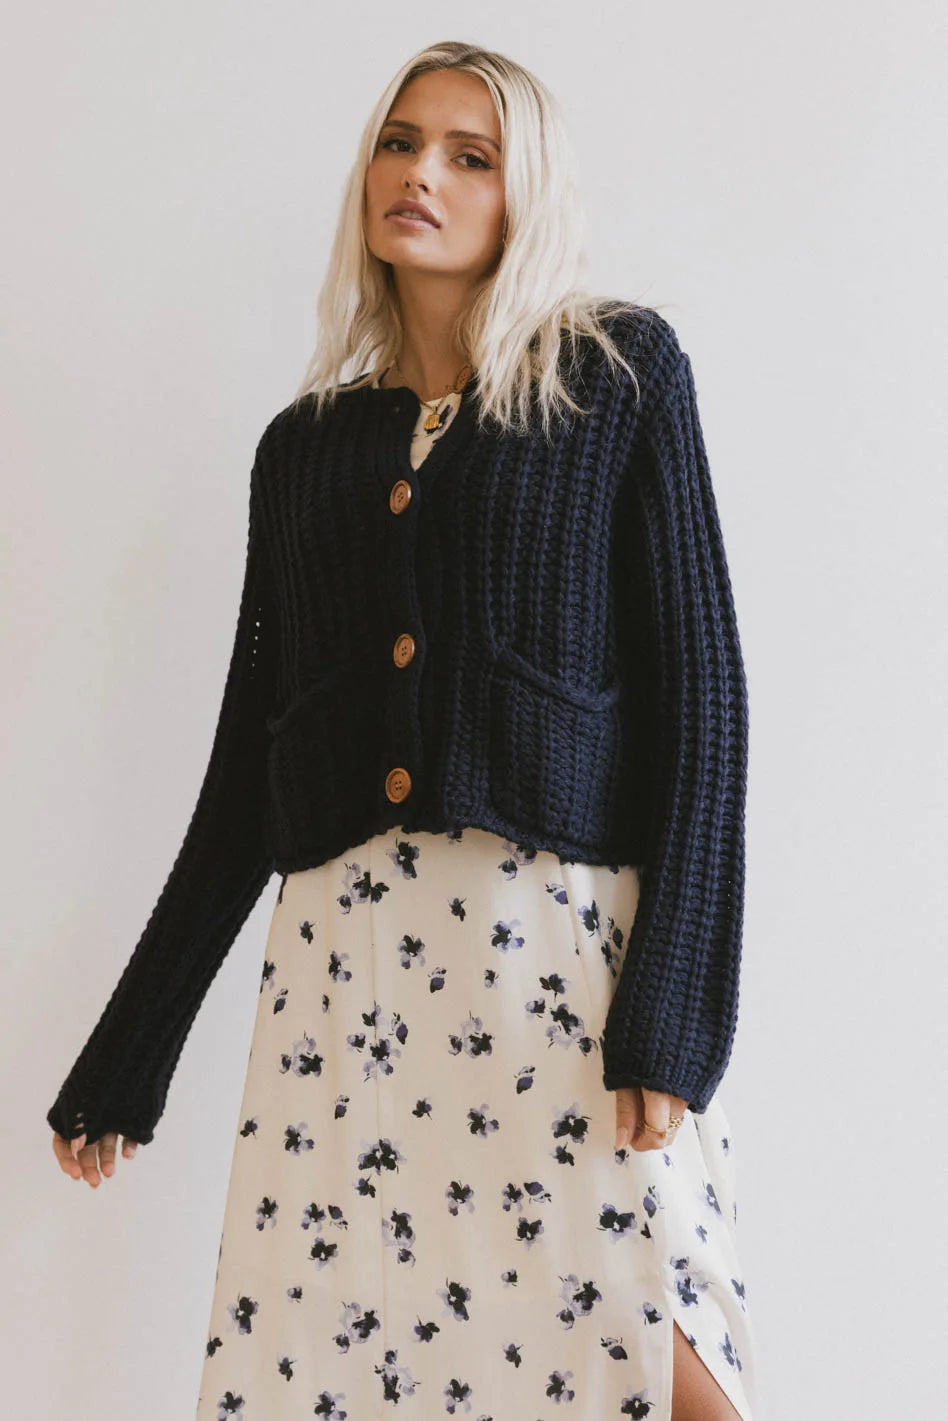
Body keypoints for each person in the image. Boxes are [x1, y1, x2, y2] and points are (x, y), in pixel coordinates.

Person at [48, 40, 759, 1421]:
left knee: (653, 1356)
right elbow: (249, 767)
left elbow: (705, 713)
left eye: (467, 155)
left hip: (550, 966)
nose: (419, 173)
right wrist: (134, 1046)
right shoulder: (306, 450)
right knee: (357, 1367)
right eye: (399, 141)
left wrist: (674, 1012)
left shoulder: (613, 381)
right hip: (350, 980)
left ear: (522, 193)